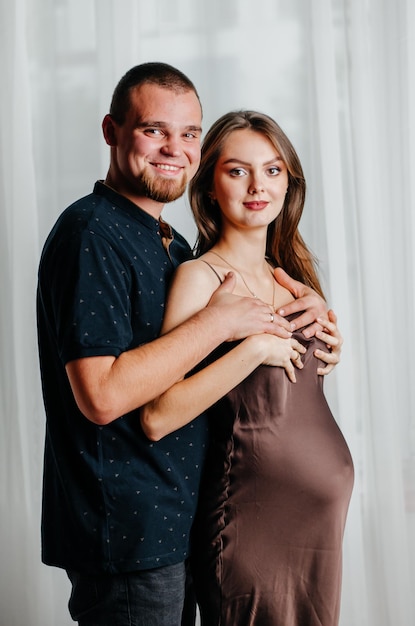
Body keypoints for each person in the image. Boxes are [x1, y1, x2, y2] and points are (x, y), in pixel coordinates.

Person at [36, 62, 340, 626]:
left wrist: (308, 322)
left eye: (190, 133)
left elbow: (214, 363)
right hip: (127, 535)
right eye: (154, 130)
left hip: (177, 526)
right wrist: (227, 330)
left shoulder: (168, 243)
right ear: (111, 131)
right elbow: (102, 397)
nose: (174, 148)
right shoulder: (92, 233)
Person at [141, 110, 353, 626]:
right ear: (210, 184)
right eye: (237, 171)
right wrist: (251, 351)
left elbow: (288, 397)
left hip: (317, 528)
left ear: (289, 182)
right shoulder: (200, 277)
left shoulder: (292, 276)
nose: (258, 185)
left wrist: (332, 343)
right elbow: (159, 413)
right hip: (249, 526)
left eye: (273, 170)